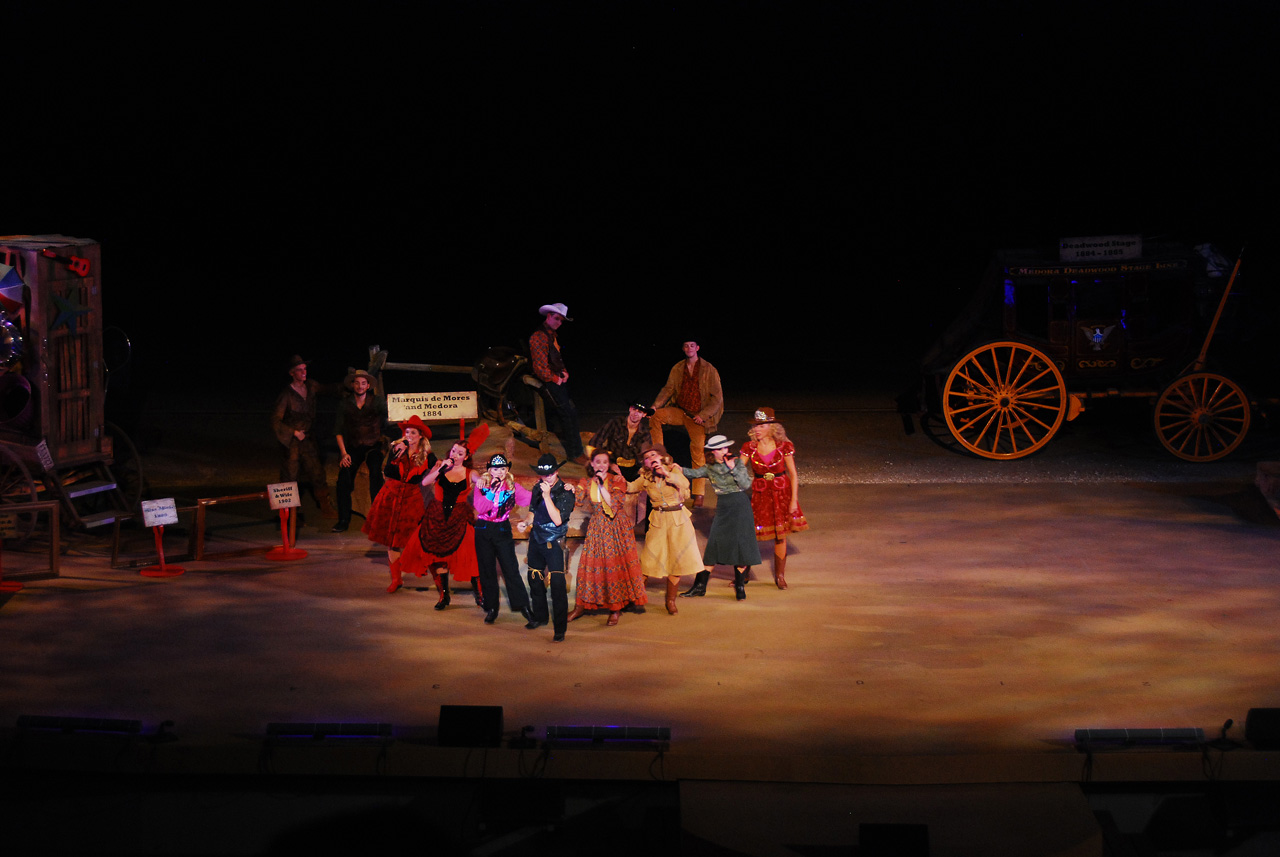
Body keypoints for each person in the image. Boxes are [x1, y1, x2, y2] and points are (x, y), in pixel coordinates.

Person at [390, 438, 481, 609]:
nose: (455, 454)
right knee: (438, 557)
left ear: (466, 457)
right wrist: (441, 469)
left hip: (459, 517)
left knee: (470, 553)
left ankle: (480, 594)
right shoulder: (440, 465)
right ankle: (444, 595)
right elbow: (425, 482)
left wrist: (484, 481)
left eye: (460, 453)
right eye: (454, 450)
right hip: (437, 516)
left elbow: (479, 479)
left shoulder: (470, 472)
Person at [569, 450, 648, 626]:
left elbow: (614, 503)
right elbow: (578, 500)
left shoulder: (617, 480)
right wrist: (572, 489)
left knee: (614, 566)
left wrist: (601, 485)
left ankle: (615, 608)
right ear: (592, 464)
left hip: (616, 527)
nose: (601, 465)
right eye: (598, 462)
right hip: (597, 527)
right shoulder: (586, 481)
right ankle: (581, 605)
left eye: (605, 462)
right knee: (588, 566)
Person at [681, 435, 761, 600]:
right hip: (724, 508)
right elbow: (692, 473)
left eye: (725, 448)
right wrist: (675, 468)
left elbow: (746, 485)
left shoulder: (737, 463)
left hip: (740, 505)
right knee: (714, 545)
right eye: (720, 449)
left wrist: (732, 468)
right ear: (713, 452)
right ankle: (699, 586)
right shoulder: (710, 468)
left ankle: (740, 587)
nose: (725, 451)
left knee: (740, 545)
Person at [627, 443, 703, 614]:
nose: (650, 459)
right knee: (647, 561)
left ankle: (670, 601)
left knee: (676, 562)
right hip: (658, 521)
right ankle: (636, 599)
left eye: (653, 455)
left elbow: (683, 484)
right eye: (646, 458)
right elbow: (631, 487)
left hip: (678, 521)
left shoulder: (674, 470)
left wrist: (666, 473)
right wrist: (614, 479)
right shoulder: (646, 478)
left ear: (661, 457)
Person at [364, 415, 436, 588]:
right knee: (393, 541)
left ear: (420, 436)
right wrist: (398, 455)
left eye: (413, 432)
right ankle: (396, 579)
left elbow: (428, 476)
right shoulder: (396, 449)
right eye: (407, 432)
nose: (409, 435)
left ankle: (430, 571)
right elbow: (388, 471)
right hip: (392, 495)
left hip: (411, 499)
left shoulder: (428, 456)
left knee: (416, 538)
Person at [649, 340, 723, 507]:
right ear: (683, 349)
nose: (689, 348)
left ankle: (699, 493)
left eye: (692, 345)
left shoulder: (709, 369)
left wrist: (703, 415)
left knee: (697, 452)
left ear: (697, 348)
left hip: (696, 416)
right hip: (680, 410)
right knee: (656, 416)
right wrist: (655, 406)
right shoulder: (678, 368)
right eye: (686, 346)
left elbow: (717, 398)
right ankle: (659, 454)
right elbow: (668, 389)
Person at [741, 407, 809, 589]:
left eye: (761, 425)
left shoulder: (783, 446)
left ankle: (779, 576)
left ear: (771, 427)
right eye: (756, 425)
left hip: (781, 494)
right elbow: (738, 471)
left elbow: (793, 475)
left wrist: (794, 500)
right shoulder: (749, 447)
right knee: (752, 535)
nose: (757, 429)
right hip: (760, 496)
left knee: (780, 536)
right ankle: (744, 574)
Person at [472, 453, 535, 626]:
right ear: (490, 470)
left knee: (510, 568)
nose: (498, 472)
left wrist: (551, 490)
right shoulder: (482, 485)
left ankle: (523, 606)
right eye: (495, 469)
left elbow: (530, 498)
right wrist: (492, 491)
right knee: (487, 569)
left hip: (502, 528)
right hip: (484, 529)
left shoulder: (512, 487)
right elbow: (480, 507)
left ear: (506, 470)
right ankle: (492, 607)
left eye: (502, 469)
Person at [271, 354, 338, 518]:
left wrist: (351, 384)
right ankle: (288, 515)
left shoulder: (311, 386)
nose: (303, 372)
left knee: (316, 471)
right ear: (292, 373)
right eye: (299, 370)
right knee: (290, 476)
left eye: (305, 369)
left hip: (308, 439)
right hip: (293, 442)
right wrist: (293, 432)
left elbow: (329, 388)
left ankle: (325, 505)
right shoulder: (286, 395)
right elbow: (276, 420)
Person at [522, 454, 576, 642]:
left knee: (558, 586)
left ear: (557, 472)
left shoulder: (566, 492)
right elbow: (532, 511)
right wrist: (526, 522)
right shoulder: (538, 487)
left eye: (550, 473)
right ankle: (540, 616)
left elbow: (558, 519)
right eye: (544, 474)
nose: (547, 477)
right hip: (537, 538)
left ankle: (560, 628)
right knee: (535, 579)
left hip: (554, 541)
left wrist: (546, 496)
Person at [331, 368, 389, 533]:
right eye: (357, 383)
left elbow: (391, 416)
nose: (360, 386)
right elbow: (338, 431)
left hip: (374, 445)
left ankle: (378, 518)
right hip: (354, 446)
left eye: (363, 383)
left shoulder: (376, 401)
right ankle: (343, 519)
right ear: (352, 385)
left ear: (368, 385)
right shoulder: (345, 403)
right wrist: (343, 453)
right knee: (344, 476)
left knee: (375, 472)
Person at [529, 302, 587, 464]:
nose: (559, 323)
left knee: (569, 411)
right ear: (548, 316)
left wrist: (564, 372)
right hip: (548, 381)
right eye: (556, 319)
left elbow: (556, 359)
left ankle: (574, 449)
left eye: (561, 320)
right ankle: (575, 453)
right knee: (567, 413)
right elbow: (539, 368)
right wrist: (556, 378)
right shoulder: (539, 336)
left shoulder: (551, 335)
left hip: (556, 379)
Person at [587, 399, 654, 527]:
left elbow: (646, 455)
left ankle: (649, 529)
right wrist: (607, 463)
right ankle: (604, 524)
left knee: (652, 484)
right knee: (604, 485)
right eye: (634, 409)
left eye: (640, 412)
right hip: (612, 466)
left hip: (633, 469)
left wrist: (646, 470)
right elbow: (595, 443)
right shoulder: (615, 423)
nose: (636, 413)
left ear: (644, 415)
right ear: (630, 409)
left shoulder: (644, 432)